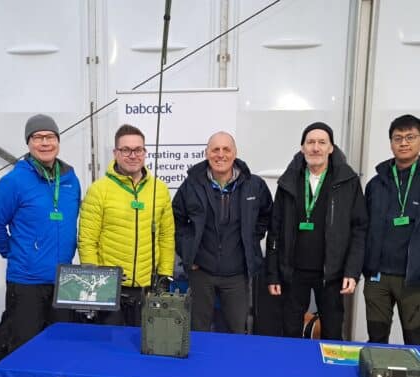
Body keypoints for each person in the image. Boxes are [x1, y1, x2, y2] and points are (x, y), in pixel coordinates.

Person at [0, 114, 81, 355]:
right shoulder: (14, 181)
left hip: (64, 281)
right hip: (27, 281)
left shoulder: (71, 179)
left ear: (58, 141)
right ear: (28, 143)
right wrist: (16, 252)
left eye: (50, 137)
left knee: (61, 348)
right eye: (37, 137)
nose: (45, 143)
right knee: (26, 349)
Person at [266, 122, 368, 340]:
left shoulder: (347, 181)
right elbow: (274, 230)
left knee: (332, 333)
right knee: (290, 331)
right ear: (302, 148)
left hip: (332, 275)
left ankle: (328, 373)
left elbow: (359, 229)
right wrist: (273, 274)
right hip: (292, 273)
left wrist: (352, 271)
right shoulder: (288, 181)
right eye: (310, 142)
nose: (316, 148)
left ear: (331, 148)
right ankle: (293, 371)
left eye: (322, 142)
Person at [173, 131, 272, 333]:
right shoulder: (191, 185)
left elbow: (266, 216)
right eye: (215, 149)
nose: (221, 154)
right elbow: (176, 220)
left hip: (237, 275)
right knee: (197, 332)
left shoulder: (254, 185)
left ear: (235, 153)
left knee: (236, 331)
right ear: (207, 153)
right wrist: (188, 251)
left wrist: (251, 240)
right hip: (201, 272)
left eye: (226, 149)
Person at [78, 124, 174, 326]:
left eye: (138, 149)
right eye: (126, 150)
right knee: (110, 350)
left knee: (145, 348)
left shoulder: (160, 190)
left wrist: (165, 274)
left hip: (147, 287)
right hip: (110, 287)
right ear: (116, 153)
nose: (133, 155)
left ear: (144, 152)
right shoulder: (99, 190)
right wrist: (94, 282)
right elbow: (87, 240)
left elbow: (166, 236)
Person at [363, 114, 420, 345]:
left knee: (415, 339)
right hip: (378, 277)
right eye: (398, 138)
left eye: (410, 137)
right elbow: (362, 227)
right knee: (376, 338)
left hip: (414, 278)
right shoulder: (375, 184)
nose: (404, 143)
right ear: (390, 143)